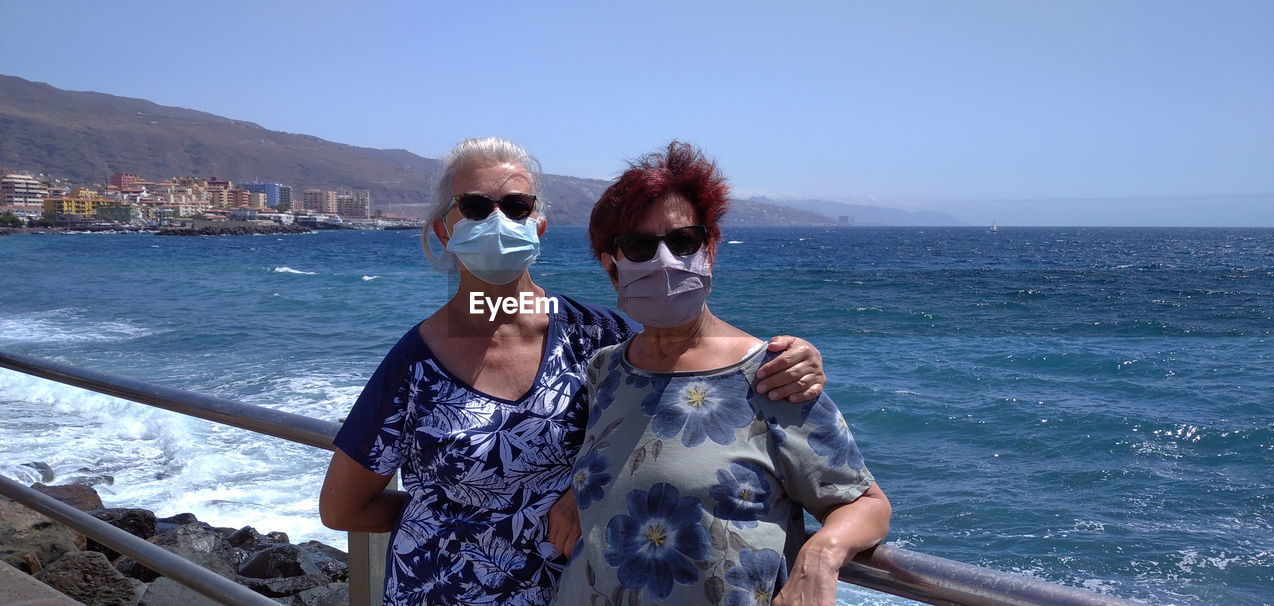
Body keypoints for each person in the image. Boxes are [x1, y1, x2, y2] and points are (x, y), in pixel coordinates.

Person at [318, 137, 830, 605]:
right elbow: (343, 508)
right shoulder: (414, 364)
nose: (497, 220)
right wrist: (463, 521)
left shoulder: (598, 338)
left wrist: (791, 356)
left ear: (537, 224)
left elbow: (688, 385)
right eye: (474, 207)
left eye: (516, 206)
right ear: (442, 230)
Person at [552, 142, 891, 606]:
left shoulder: (773, 376)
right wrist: (581, 498)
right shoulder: (606, 370)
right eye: (639, 245)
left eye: (683, 241)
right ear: (613, 269)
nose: (665, 260)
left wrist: (823, 552)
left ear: (709, 250)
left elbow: (866, 503)